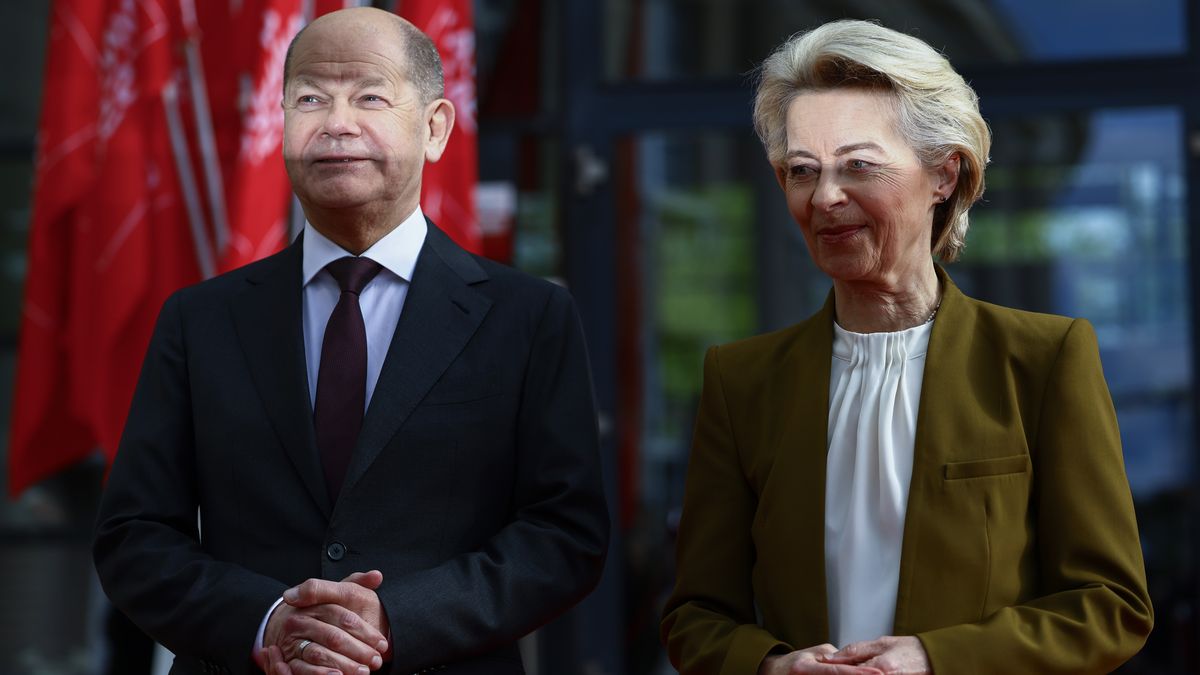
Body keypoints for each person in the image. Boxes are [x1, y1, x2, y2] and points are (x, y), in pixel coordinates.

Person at [93, 8, 609, 675]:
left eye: (369, 97)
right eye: (310, 99)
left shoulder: (529, 317)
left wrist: (395, 618)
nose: (336, 123)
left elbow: (565, 535)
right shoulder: (200, 320)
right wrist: (269, 619)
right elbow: (134, 536)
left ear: (435, 128)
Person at [660, 19, 1152, 675]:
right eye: (802, 170)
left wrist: (934, 657)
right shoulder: (741, 380)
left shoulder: (1043, 359)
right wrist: (773, 666)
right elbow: (696, 615)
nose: (825, 196)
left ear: (944, 175)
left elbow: (1110, 605)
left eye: (859, 164)